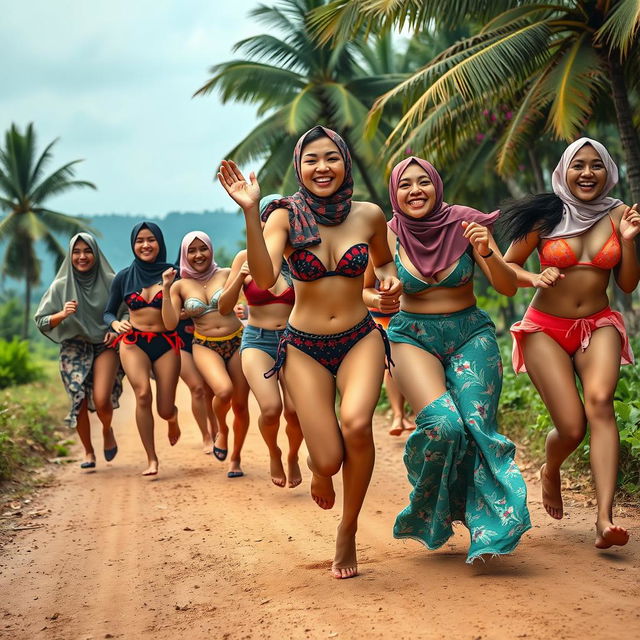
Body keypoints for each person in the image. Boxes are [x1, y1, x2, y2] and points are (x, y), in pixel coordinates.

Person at [218, 125, 401, 579]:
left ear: (345, 162)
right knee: (327, 459)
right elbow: (263, 276)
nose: (323, 167)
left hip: (360, 337)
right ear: (299, 166)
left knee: (357, 425)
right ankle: (319, 469)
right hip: (303, 347)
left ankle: (349, 530)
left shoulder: (370, 215)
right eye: (312, 159)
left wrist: (390, 280)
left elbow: (383, 262)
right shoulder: (283, 215)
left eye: (331, 158)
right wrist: (251, 213)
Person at [368, 156, 531, 563]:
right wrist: (380, 298)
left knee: (477, 428)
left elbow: (507, 287)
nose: (415, 190)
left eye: (423, 182)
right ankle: (431, 512)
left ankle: (488, 528)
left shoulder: (468, 224)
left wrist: (485, 251)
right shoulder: (385, 236)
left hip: (469, 334)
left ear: (436, 186)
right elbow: (364, 291)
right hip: (411, 336)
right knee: (445, 426)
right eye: (405, 185)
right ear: (395, 193)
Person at [500, 138, 640, 549]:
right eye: (578, 165)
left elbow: (628, 284)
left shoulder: (619, 214)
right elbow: (508, 268)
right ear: (564, 170)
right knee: (572, 426)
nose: (587, 173)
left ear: (608, 171)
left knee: (600, 403)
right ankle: (550, 468)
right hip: (545, 327)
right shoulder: (547, 215)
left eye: (597, 165)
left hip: (598, 324)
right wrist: (533, 278)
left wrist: (629, 240)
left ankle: (604, 518)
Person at [220, 194, 304, 488]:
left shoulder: (299, 257)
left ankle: (293, 454)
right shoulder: (245, 257)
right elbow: (223, 306)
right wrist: (236, 280)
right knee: (271, 409)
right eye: (266, 217)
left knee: (295, 412)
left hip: (296, 341)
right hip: (257, 340)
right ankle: (274, 452)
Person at [162, 231, 250, 478]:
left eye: (203, 248)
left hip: (236, 340)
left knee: (241, 406)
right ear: (184, 254)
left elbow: (250, 292)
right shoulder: (179, 285)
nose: (198, 255)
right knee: (223, 391)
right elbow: (169, 323)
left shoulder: (225, 273)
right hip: (204, 345)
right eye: (192, 250)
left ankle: (236, 458)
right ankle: (221, 430)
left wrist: (246, 309)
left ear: (211, 249)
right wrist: (167, 288)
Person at [35, 233, 124, 469]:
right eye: (77, 252)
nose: (82, 256)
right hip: (74, 346)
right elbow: (41, 321)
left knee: (102, 398)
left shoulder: (112, 280)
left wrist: (116, 329)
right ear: (70, 255)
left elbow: (126, 311)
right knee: (79, 399)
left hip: (105, 345)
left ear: (96, 253)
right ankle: (88, 452)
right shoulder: (60, 286)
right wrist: (62, 314)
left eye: (87, 251)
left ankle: (107, 429)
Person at [104, 221, 182, 476]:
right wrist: (115, 322)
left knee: (164, 408)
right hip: (133, 342)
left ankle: (172, 417)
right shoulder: (124, 276)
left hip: (166, 343)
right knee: (142, 394)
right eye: (140, 241)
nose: (145, 245)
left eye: (151, 240)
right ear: (133, 245)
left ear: (159, 243)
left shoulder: (174, 272)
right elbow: (108, 312)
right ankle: (152, 459)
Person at [176, 315, 218, 453]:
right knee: (197, 388)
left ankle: (215, 429)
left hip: (207, 338)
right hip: (181, 340)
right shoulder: (172, 291)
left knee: (211, 390)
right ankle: (206, 436)